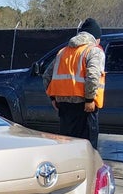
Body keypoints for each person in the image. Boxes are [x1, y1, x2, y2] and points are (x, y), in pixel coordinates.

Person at [43, 17, 106, 149]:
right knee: (87, 148)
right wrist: (89, 99)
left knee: (68, 145)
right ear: (96, 37)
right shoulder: (94, 50)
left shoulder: (63, 52)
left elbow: (46, 76)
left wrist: (53, 98)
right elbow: (93, 75)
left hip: (64, 107)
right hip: (85, 106)